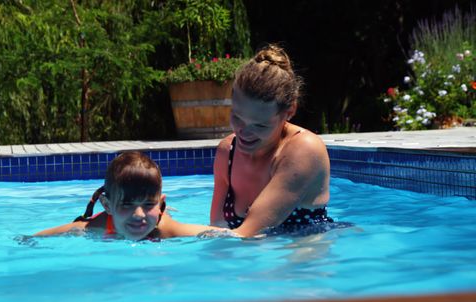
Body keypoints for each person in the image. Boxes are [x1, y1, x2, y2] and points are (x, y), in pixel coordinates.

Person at [210, 44, 333, 238]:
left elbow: (246, 233)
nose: (243, 132)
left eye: (260, 125)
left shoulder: (305, 150)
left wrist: (168, 228)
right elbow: (216, 228)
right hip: (251, 254)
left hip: (303, 254)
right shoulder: (227, 152)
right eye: (237, 117)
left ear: (290, 111)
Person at [35, 151, 233, 240]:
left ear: (160, 205)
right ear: (107, 205)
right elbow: (57, 232)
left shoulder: (165, 228)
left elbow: (209, 232)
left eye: (148, 204)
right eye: (127, 204)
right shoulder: (99, 226)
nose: (138, 214)